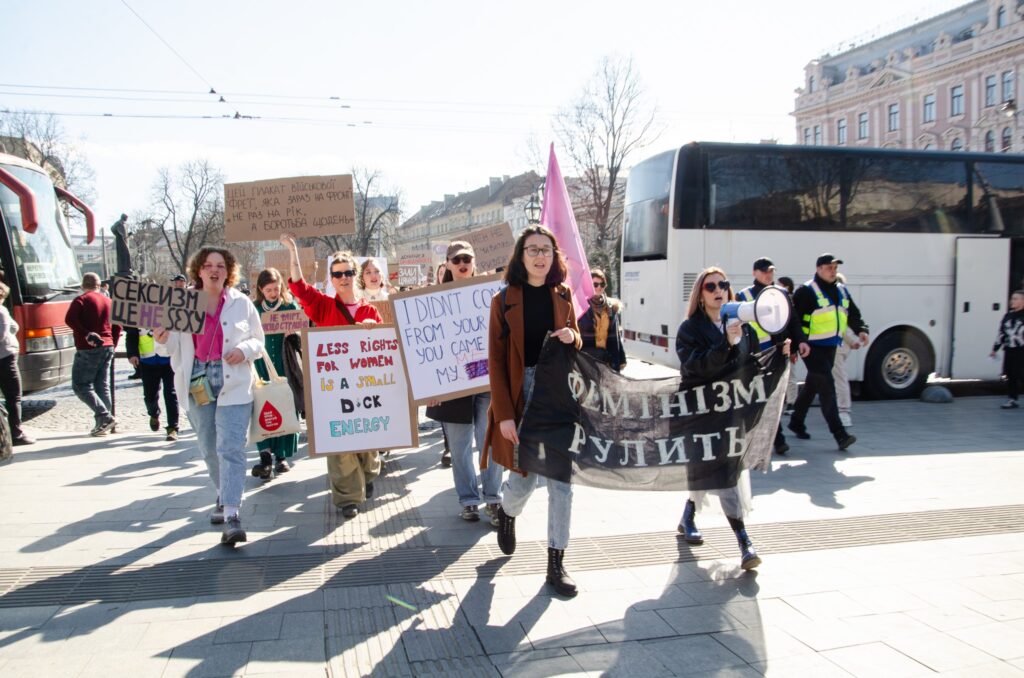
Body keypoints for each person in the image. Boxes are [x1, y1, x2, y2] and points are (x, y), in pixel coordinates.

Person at [483, 225, 583, 597]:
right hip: (522, 392)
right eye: (532, 249)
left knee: (562, 482)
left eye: (546, 249)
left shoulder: (563, 294)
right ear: (520, 256)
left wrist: (574, 336)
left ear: (554, 255)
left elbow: (575, 338)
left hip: (558, 392)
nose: (540, 256)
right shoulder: (503, 299)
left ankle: (556, 562)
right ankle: (508, 513)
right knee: (524, 479)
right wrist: (504, 413)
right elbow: (495, 361)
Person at [156, 247, 264, 546]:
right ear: (198, 271)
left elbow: (258, 340)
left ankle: (232, 513)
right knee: (208, 444)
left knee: (231, 446)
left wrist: (243, 350)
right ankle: (223, 492)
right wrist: (161, 336)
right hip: (197, 380)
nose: (214, 270)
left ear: (228, 270)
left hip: (234, 380)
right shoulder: (184, 303)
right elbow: (168, 349)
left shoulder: (241, 303)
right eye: (208, 266)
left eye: (220, 265)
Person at [675, 266, 781, 570]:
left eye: (723, 284)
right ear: (700, 294)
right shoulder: (689, 329)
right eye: (711, 286)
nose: (718, 290)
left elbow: (751, 367)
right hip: (701, 414)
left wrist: (779, 358)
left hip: (731, 413)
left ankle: (691, 517)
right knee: (713, 471)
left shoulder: (743, 326)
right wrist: (724, 344)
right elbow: (695, 367)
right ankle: (743, 540)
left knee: (723, 470)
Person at [279, 234, 382, 518]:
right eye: (337, 274)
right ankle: (348, 497)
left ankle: (369, 473)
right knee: (340, 443)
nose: (343, 278)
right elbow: (298, 287)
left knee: (366, 439)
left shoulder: (369, 309)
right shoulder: (323, 306)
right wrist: (293, 252)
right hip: (334, 389)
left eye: (348, 272)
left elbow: (384, 350)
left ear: (355, 275)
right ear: (332, 278)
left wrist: (374, 328)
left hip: (364, 388)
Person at [426, 241, 504, 525]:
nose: (462, 263)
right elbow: (425, 347)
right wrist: (429, 387)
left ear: (474, 262)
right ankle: (469, 500)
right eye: (456, 259)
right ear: (447, 263)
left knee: (491, 443)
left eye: (467, 258)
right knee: (459, 449)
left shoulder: (491, 294)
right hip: (453, 385)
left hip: (485, 379)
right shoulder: (431, 299)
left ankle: (494, 499)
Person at [788, 254, 868, 451]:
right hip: (811, 348)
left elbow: (853, 313)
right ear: (818, 269)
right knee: (827, 386)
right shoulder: (806, 291)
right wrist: (796, 345)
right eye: (828, 267)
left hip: (831, 346)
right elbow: (794, 320)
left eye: (835, 267)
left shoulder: (841, 290)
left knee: (813, 384)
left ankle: (796, 421)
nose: (833, 270)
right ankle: (840, 434)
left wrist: (861, 329)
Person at [736, 257, 791, 455]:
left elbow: (790, 322)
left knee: (771, 395)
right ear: (755, 273)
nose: (769, 274)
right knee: (762, 396)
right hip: (755, 355)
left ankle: (775, 437)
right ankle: (778, 439)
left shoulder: (780, 294)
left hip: (775, 352)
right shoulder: (744, 295)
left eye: (771, 271)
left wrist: (797, 342)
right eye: (764, 271)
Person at [251, 267, 301, 478]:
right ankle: (265, 455)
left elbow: (301, 333)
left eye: (276, 288)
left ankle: (281, 456)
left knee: (285, 405)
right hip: (261, 364)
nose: (273, 293)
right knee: (263, 406)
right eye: (269, 289)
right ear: (261, 289)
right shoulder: (254, 308)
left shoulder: (289, 306)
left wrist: (294, 333)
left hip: (284, 364)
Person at [65, 272, 120, 436]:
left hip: (89, 347)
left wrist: (86, 333)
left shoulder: (81, 300)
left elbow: (70, 320)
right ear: (99, 285)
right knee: (102, 386)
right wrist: (112, 343)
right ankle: (103, 425)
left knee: (81, 385)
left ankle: (104, 417)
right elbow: (117, 326)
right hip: (108, 346)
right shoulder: (109, 301)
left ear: (83, 285)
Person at [125, 295, 180, 441]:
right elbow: (131, 335)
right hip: (147, 360)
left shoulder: (170, 315)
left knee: (171, 394)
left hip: (167, 360)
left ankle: (173, 428)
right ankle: (154, 413)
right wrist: (132, 354)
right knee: (150, 395)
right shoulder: (137, 315)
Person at [0, 282, 32, 445]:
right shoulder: (2, 311)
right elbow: (2, 335)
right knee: (14, 397)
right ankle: (16, 434)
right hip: (5, 358)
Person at [578, 268, 626, 371]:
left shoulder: (611, 307)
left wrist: (620, 359)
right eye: (595, 284)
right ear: (588, 285)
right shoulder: (581, 306)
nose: (599, 287)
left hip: (607, 362)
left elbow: (615, 337)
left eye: (602, 284)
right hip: (585, 362)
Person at [831, 273, 863, 428]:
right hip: (841, 345)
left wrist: (853, 340)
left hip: (838, 345)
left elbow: (841, 325)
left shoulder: (837, 298)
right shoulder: (842, 297)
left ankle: (843, 410)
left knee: (839, 377)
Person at [991, 290, 1024, 409]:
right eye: (1012, 298)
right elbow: (1001, 333)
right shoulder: (1008, 316)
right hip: (1010, 350)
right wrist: (995, 349)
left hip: (1022, 350)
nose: (1012, 301)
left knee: (1021, 374)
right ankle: (1012, 399)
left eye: (1016, 299)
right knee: (1010, 374)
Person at [776, 276, 799, 413]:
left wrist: (794, 349)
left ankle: (792, 403)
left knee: (790, 375)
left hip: (789, 344)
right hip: (783, 344)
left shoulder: (789, 302)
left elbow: (792, 327)